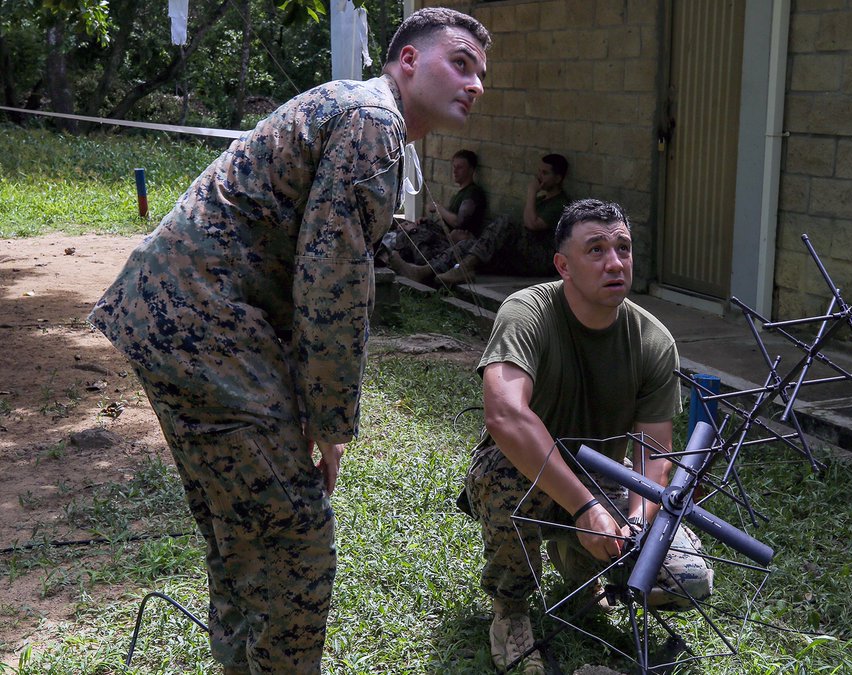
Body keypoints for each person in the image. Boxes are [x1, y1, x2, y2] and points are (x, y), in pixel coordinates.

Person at [87, 8, 490, 673]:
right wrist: (329, 422)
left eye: (482, 75)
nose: (476, 84)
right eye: (461, 63)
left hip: (172, 315)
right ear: (409, 62)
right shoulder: (375, 122)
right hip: (205, 323)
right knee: (296, 539)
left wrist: (303, 407)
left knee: (242, 531)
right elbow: (333, 280)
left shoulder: (363, 113)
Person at [462, 199, 714, 674]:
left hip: (606, 483)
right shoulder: (527, 312)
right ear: (564, 265)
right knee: (501, 475)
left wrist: (637, 522)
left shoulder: (654, 342)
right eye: (595, 250)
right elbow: (505, 416)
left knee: (686, 577)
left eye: (623, 248)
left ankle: (581, 566)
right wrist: (585, 509)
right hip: (526, 472)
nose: (615, 262)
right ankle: (510, 610)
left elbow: (654, 454)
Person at [393, 153, 571, 285]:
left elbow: (531, 224)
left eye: (545, 173)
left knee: (506, 221)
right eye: (539, 172)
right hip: (521, 255)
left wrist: (531, 192)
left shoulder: (560, 203)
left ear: (559, 178)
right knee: (467, 246)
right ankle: (425, 271)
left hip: (540, 259)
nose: (539, 177)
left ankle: (464, 269)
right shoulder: (540, 200)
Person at [380, 148, 487, 269]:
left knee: (408, 234)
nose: (455, 171)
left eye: (460, 167)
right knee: (399, 225)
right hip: (442, 237)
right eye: (454, 167)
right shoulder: (460, 194)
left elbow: (459, 222)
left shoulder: (472, 193)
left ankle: (385, 255)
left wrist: (438, 208)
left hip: (450, 244)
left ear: (471, 170)